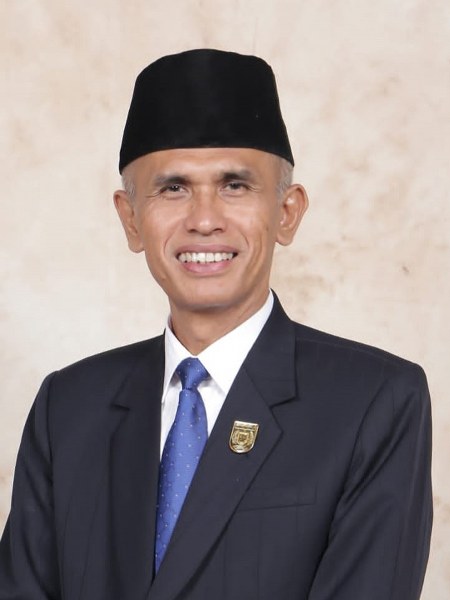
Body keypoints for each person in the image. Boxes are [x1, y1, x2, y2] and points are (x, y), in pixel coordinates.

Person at [0, 49, 432, 600]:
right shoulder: (69, 407)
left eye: (235, 185)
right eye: (173, 188)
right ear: (131, 219)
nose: (204, 220)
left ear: (287, 212)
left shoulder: (374, 402)